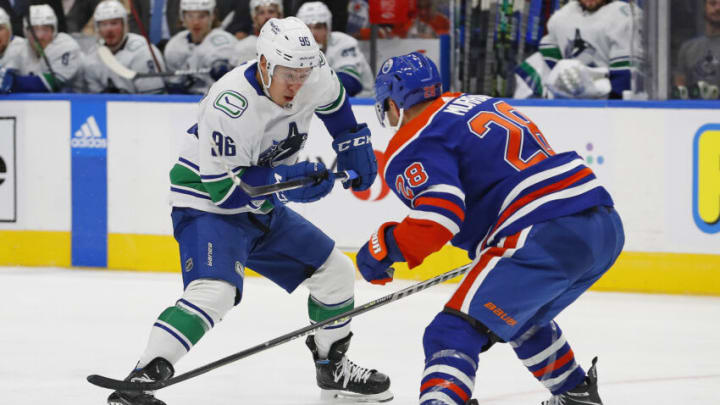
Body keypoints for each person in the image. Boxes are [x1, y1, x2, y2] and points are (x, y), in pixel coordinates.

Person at [105, 16, 391, 405]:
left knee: (335, 273)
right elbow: (225, 193)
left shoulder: (310, 71)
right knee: (216, 291)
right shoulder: (230, 104)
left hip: (261, 200)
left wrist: (350, 138)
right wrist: (290, 181)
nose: (298, 84)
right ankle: (138, 383)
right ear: (264, 65)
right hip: (206, 201)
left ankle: (332, 369)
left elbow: (334, 101)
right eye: (288, 75)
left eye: (304, 74)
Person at [358, 52, 624, 405]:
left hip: (540, 229)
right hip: (601, 223)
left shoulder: (411, 141)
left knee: (449, 333)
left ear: (394, 102)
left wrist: (383, 247)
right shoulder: (477, 102)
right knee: (520, 318)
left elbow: (440, 217)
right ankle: (576, 395)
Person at [514, 0, 642, 99]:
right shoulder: (562, 16)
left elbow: (625, 75)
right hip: (569, 95)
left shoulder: (625, 15)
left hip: (606, 98)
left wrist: (604, 98)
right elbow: (548, 57)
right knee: (535, 63)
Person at [82, 0, 165, 93]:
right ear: (97, 28)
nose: (109, 29)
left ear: (124, 25)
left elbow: (153, 96)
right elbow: (93, 99)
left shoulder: (143, 51)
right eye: (103, 24)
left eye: (114, 23)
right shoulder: (92, 57)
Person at [296, 1, 373, 98]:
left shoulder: (344, 43)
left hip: (361, 105)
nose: (312, 33)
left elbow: (350, 83)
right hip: (316, 104)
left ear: (327, 28)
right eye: (307, 28)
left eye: (318, 27)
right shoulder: (293, 49)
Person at [0, 4, 82, 93]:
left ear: (54, 30)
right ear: (25, 32)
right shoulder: (19, 47)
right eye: (33, 30)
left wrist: (12, 82)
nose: (39, 36)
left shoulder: (66, 45)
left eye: (45, 29)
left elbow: (51, 84)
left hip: (83, 103)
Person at [163, 0, 236, 94]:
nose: (196, 22)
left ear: (212, 16)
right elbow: (172, 83)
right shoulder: (174, 44)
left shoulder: (226, 42)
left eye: (202, 16)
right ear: (182, 18)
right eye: (190, 16)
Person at [673, 0, 720, 99]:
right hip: (693, 112)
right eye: (712, 3)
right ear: (704, 7)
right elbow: (680, 90)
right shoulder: (687, 48)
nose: (717, 8)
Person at [231, 0, 282, 66]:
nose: (267, 16)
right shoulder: (244, 47)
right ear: (255, 18)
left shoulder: (292, 44)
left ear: (279, 15)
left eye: (271, 12)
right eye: (261, 13)